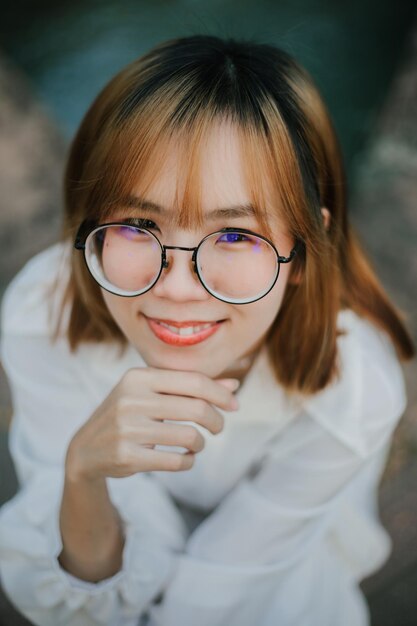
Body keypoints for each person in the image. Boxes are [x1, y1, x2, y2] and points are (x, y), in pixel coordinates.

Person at [0, 34, 414, 626]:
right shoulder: (43, 315)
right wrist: (82, 475)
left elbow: (225, 588)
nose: (176, 287)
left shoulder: (351, 391)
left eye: (235, 235)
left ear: (303, 250)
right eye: (140, 224)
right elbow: (79, 597)